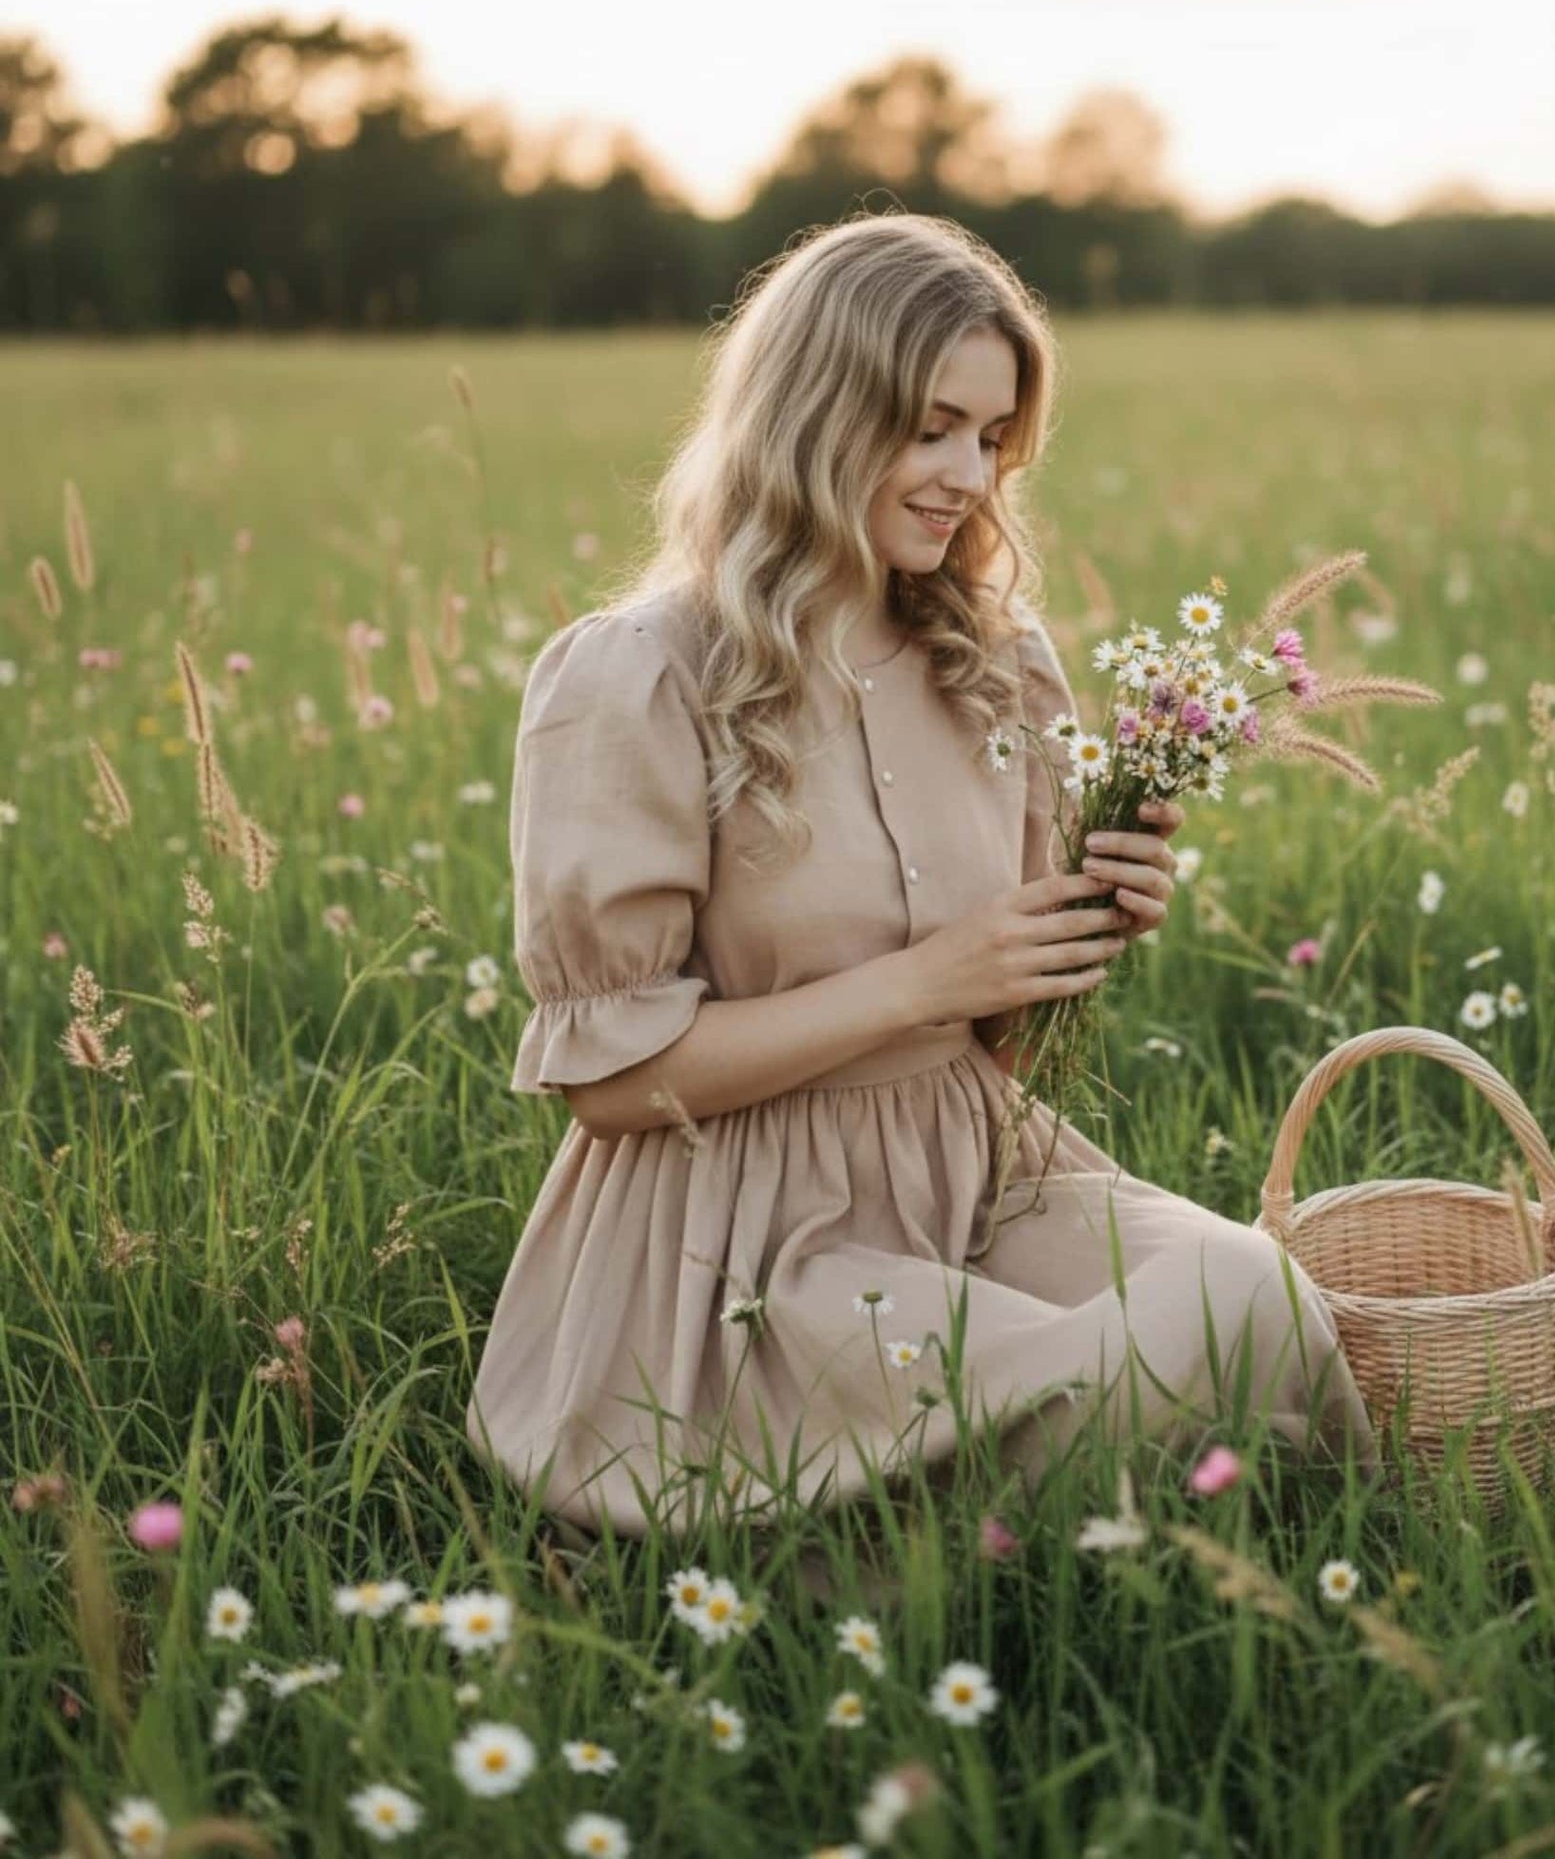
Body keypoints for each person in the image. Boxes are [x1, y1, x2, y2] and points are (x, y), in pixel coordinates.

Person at [464, 211, 1373, 1540]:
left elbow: (993, 1027)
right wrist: (922, 979)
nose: (968, 475)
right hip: (743, 1233)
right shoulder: (638, 677)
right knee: (1131, 1373)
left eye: (992, 439)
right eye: (931, 425)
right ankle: (884, 1577)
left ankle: (1133, 1543)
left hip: (974, 1165)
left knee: (1253, 1296)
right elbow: (607, 1086)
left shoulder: (995, 664)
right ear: (815, 412)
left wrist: (1082, 927)